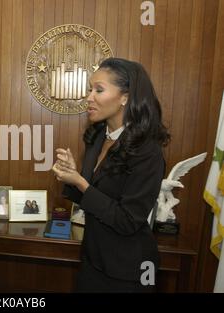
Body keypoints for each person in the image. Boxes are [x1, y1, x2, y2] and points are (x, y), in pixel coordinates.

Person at [52, 58, 169, 292]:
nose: (89, 97)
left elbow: (127, 221)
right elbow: (93, 198)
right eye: (89, 89)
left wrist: (82, 184)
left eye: (99, 90)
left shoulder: (148, 152)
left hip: (128, 270)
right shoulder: (97, 136)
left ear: (125, 97)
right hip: (93, 260)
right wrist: (72, 176)